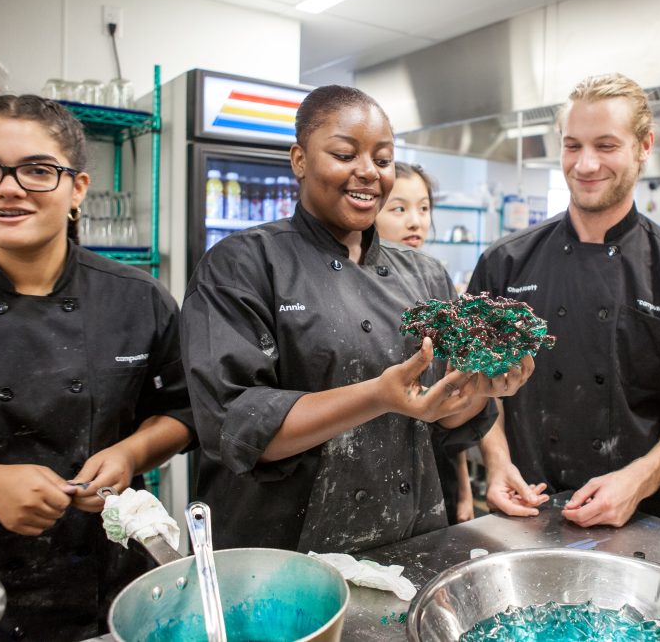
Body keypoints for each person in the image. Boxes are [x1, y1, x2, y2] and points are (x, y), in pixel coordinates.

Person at [180, 85, 531, 553]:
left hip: (408, 540)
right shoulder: (240, 265)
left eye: (382, 159)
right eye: (345, 154)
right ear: (300, 160)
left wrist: (477, 390)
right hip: (282, 554)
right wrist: (378, 396)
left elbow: (447, 418)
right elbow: (238, 424)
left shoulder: (426, 275)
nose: (368, 171)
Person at [0, 95, 193, 640]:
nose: (8, 187)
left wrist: (131, 452)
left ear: (77, 189)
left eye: (37, 170)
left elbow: (183, 411)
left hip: (109, 587)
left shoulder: (138, 298)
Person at [468, 73, 660, 527]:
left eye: (606, 146)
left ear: (644, 146)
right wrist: (496, 461)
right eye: (572, 146)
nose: (586, 164)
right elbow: (476, 375)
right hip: (522, 505)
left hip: (636, 518)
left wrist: (639, 479)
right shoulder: (506, 262)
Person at [375, 160, 475, 524]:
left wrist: (464, 487)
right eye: (399, 209)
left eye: (424, 208)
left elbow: (452, 391)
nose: (415, 221)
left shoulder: (434, 280)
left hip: (434, 469)